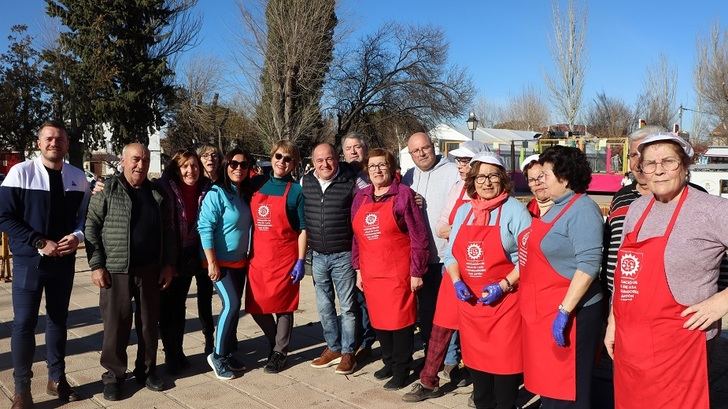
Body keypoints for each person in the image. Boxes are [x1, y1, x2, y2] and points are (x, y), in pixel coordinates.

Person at [604, 133, 728, 408]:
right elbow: (625, 275)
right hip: (631, 341)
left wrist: (722, 302)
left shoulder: (713, 210)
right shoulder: (636, 209)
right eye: (650, 163)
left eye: (668, 161)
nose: (658, 170)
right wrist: (613, 321)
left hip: (682, 344)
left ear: (685, 166)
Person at [0, 121, 89, 408]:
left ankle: (56, 378)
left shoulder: (78, 177)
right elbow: (4, 217)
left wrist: (77, 237)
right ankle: (22, 389)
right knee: (24, 324)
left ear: (67, 144)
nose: (55, 143)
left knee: (58, 321)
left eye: (60, 139)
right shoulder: (20, 173)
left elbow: (85, 218)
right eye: (49, 138)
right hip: (29, 261)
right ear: (39, 143)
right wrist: (39, 242)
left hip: (63, 262)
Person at [85, 143, 175, 401]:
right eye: (135, 159)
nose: (141, 165)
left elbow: (168, 231)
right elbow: (91, 227)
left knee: (148, 325)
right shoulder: (107, 190)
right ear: (123, 161)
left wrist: (168, 264)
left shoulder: (157, 193)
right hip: (116, 270)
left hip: (150, 269)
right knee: (116, 325)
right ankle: (114, 376)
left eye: (145, 160)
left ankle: (146, 371)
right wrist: (96, 264)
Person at [519, 145, 605, 409]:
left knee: (570, 388)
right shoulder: (556, 207)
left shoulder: (583, 209)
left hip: (574, 313)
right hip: (546, 309)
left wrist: (564, 311)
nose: (540, 180)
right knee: (551, 385)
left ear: (564, 178)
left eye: (545, 174)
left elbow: (589, 264)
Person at [403, 140, 489, 402]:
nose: (461, 166)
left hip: (482, 272)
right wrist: (469, 233)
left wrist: (462, 233)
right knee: (441, 323)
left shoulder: (490, 192)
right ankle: (429, 379)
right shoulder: (458, 188)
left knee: (478, 330)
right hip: (453, 266)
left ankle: (482, 387)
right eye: (460, 161)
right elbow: (442, 226)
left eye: (467, 161)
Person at [443, 152, 530, 408]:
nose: (487, 182)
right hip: (472, 307)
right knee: (479, 378)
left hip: (506, 305)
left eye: (493, 175)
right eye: (481, 176)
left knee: (504, 376)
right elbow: (451, 254)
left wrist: (504, 284)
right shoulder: (464, 211)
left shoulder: (515, 210)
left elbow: (528, 258)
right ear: (472, 180)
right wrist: (457, 281)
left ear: (502, 179)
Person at [352, 148, 429, 390]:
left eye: (382, 165)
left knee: (400, 323)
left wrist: (417, 271)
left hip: (398, 272)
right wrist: (358, 269)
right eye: (372, 165)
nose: (377, 169)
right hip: (371, 271)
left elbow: (419, 237)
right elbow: (356, 237)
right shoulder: (361, 197)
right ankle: (388, 361)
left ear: (391, 167)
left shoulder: (404, 195)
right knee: (379, 321)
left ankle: (401, 368)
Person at [246, 140, 306, 374]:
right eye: (279, 156)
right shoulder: (256, 185)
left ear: (294, 164)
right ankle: (274, 343)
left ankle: (280, 352)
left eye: (288, 159)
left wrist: (301, 260)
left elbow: (302, 228)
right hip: (258, 257)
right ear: (271, 158)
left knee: (283, 307)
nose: (282, 162)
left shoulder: (296, 192)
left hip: (284, 257)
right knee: (256, 306)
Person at [303, 143, 359, 375]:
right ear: (313, 161)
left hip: (343, 254)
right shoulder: (306, 182)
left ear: (337, 159)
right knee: (324, 306)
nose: (325, 164)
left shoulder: (350, 181)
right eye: (320, 160)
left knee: (347, 307)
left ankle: (348, 352)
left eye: (329, 159)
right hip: (317, 256)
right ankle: (333, 347)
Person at [198, 148, 253, 380]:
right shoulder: (216, 192)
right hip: (218, 262)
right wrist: (211, 262)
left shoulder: (241, 194)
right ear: (225, 165)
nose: (238, 168)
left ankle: (228, 352)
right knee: (231, 304)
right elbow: (204, 227)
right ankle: (217, 355)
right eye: (233, 164)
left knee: (233, 306)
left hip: (239, 262)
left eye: (243, 165)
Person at [401, 132, 460, 351]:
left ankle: (451, 357)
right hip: (423, 256)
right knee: (427, 309)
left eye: (424, 148)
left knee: (449, 311)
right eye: (415, 151)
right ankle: (430, 350)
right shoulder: (409, 176)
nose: (421, 153)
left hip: (447, 255)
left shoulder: (453, 172)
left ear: (433, 146)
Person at [155, 150, 212, 374]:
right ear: (177, 169)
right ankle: (171, 353)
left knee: (179, 306)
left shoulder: (205, 188)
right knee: (167, 308)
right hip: (168, 256)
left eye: (195, 166)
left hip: (189, 255)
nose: (191, 171)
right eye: (185, 166)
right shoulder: (164, 187)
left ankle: (177, 352)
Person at [340, 132, 376, 356]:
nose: (353, 151)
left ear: (365, 148)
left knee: (365, 296)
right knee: (349, 297)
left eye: (357, 147)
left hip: (370, 241)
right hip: (345, 241)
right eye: (348, 148)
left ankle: (367, 340)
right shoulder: (340, 174)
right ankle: (352, 339)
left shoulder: (374, 172)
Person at [195, 144, 223, 353]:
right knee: (204, 295)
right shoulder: (195, 183)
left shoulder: (226, 181)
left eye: (214, 155)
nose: (210, 158)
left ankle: (226, 334)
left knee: (228, 297)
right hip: (201, 248)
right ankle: (208, 338)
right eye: (205, 155)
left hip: (225, 247)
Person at [521, 154, 554, 218]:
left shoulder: (567, 206)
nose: (537, 183)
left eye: (541, 177)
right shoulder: (529, 208)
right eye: (531, 180)